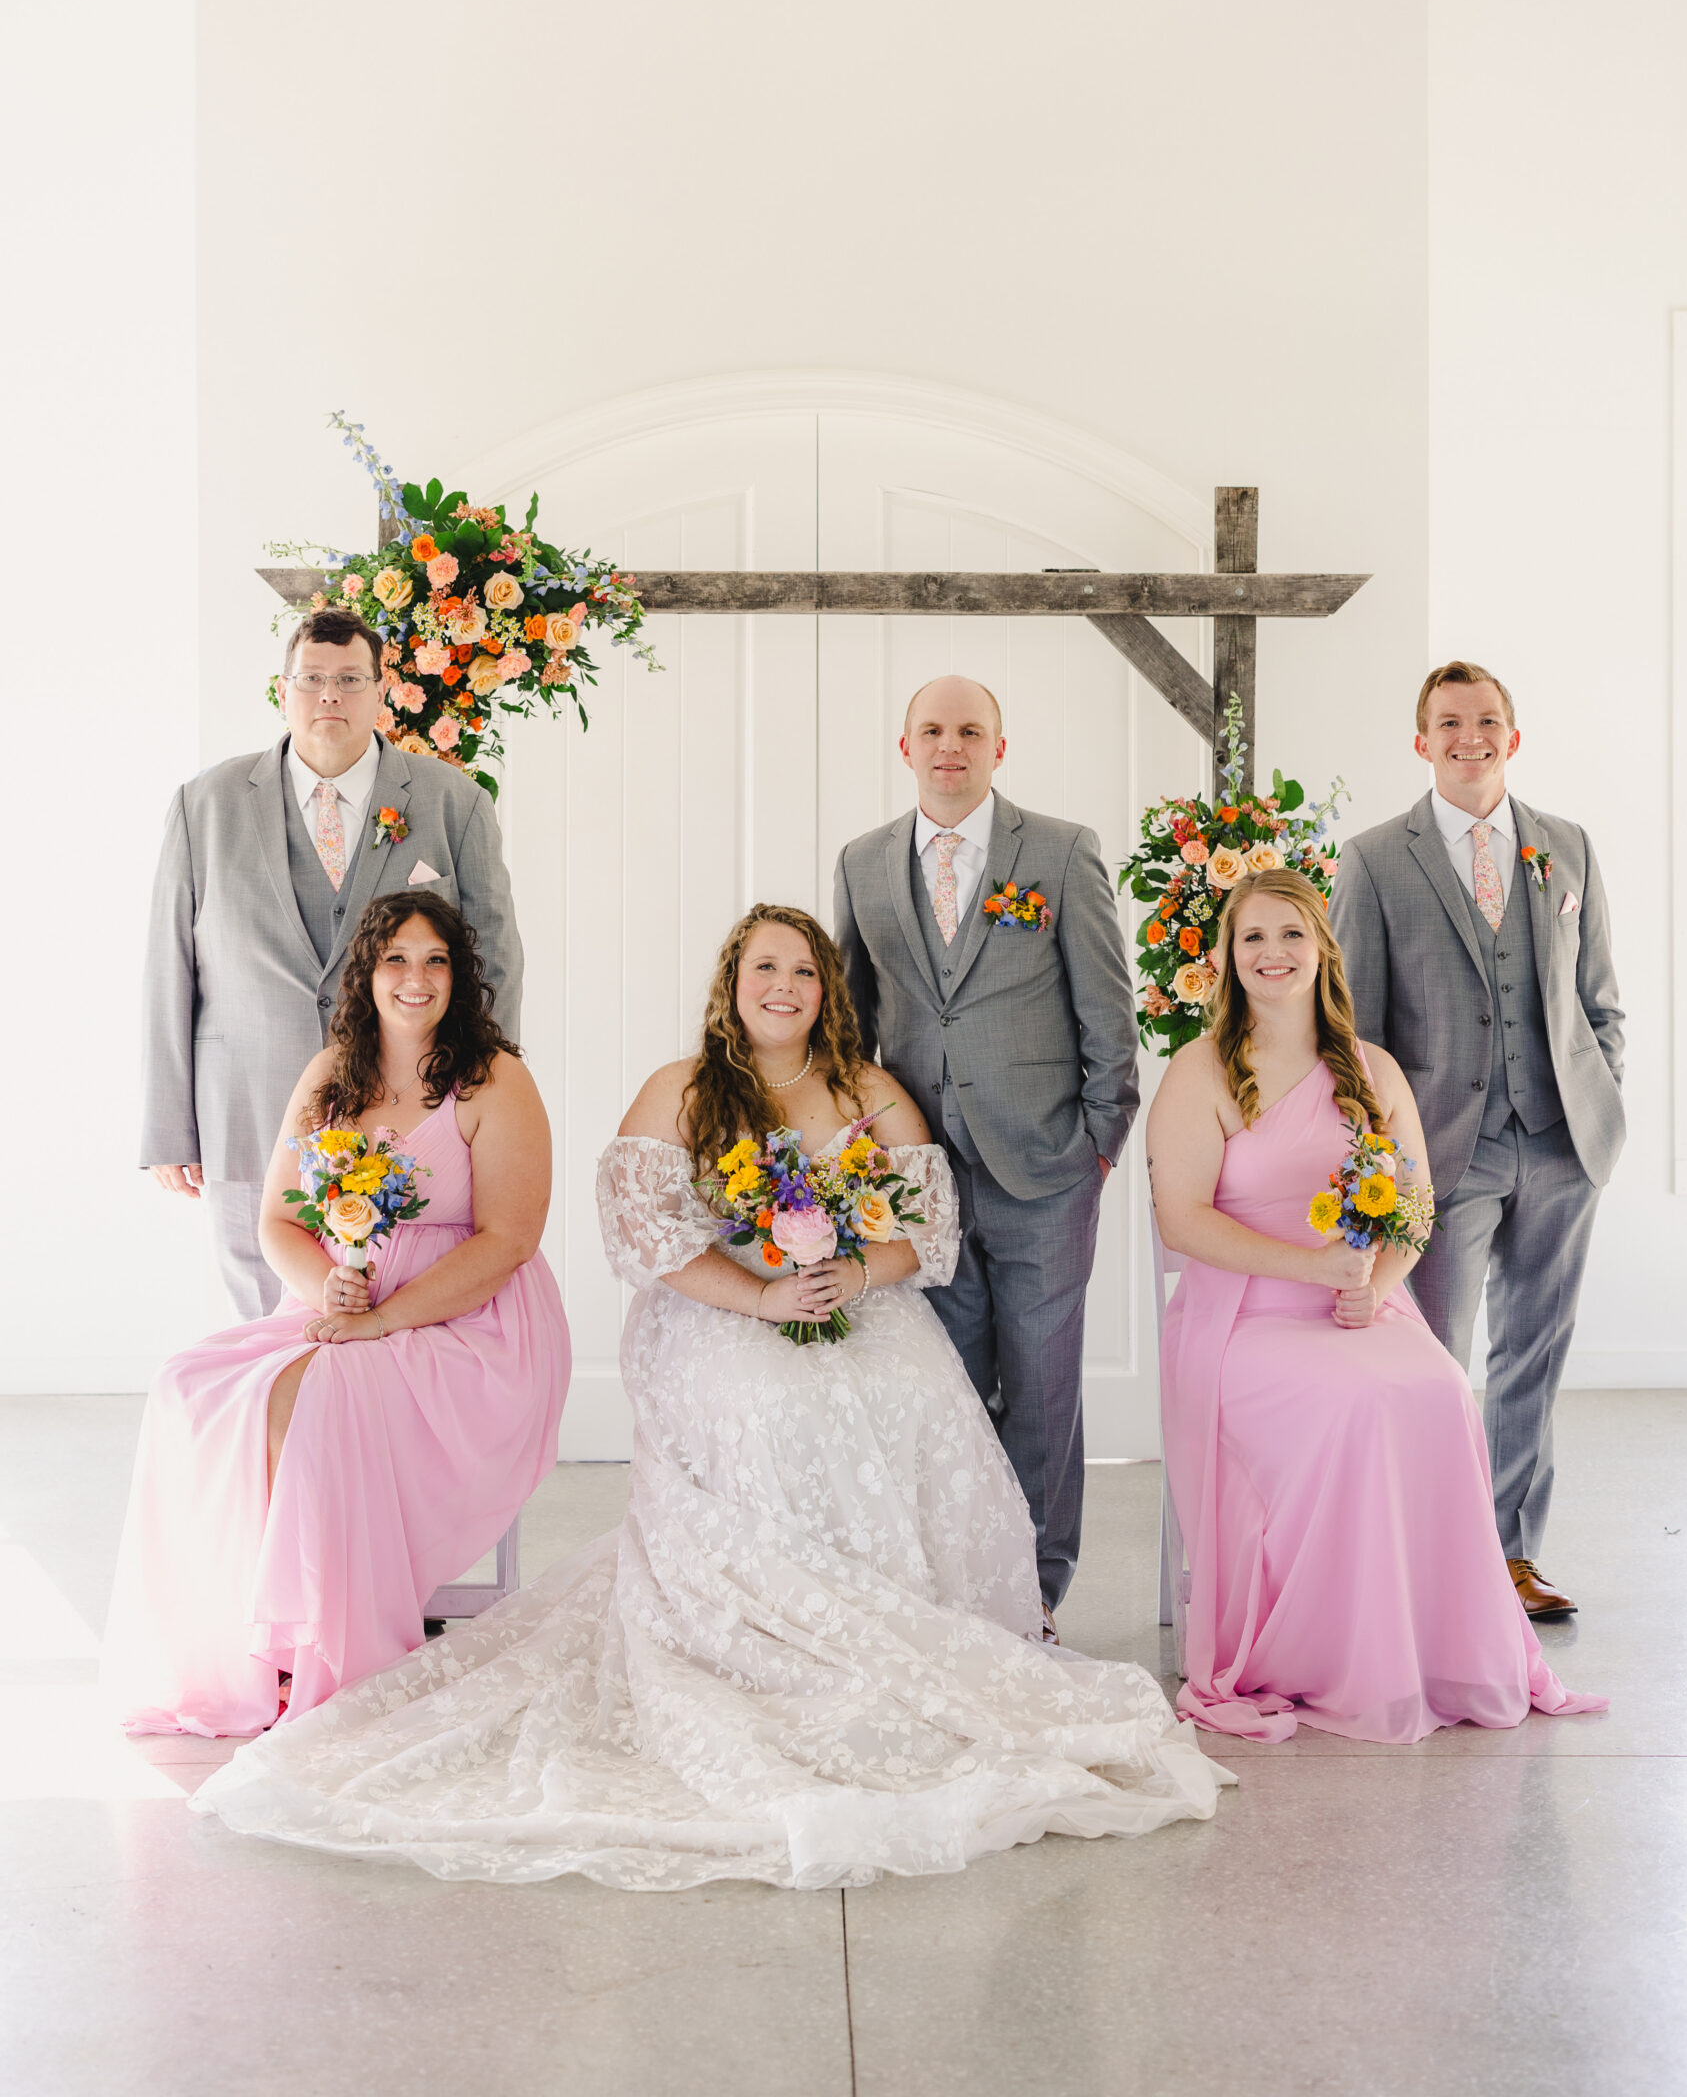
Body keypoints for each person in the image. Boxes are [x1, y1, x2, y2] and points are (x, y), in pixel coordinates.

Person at [191, 904, 1227, 1888]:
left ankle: (900, 1612)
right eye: (763, 966)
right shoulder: (682, 1087)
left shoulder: (868, 1091)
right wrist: (762, 1293)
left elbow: (929, 1230)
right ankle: (768, 1622)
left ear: (828, 992)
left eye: (803, 971)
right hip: (714, 1309)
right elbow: (648, 1238)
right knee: (771, 1402)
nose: (783, 986)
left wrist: (853, 1275)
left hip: (849, 1302)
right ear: (730, 985)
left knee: (909, 1388)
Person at [1148, 867, 1606, 1744]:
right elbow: (1183, 1220)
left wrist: (1375, 1285)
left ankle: (1432, 1644)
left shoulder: (1371, 1068)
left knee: (1436, 1391)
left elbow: (1419, 1206)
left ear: (1322, 947)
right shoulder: (1199, 1070)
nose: (1272, 953)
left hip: (1358, 1303)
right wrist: (1314, 1269)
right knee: (1352, 1406)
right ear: (1227, 956)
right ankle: (1326, 1652)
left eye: (1290, 934)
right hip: (1242, 1317)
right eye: (1252, 938)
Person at [105, 892, 571, 1737]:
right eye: (396, 958)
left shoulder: (493, 1078)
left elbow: (509, 1238)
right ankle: (250, 1638)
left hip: (469, 1322)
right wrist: (328, 1291)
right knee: (190, 1387)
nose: (416, 978)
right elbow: (279, 1220)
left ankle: (317, 1643)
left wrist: (384, 1322)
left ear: (460, 975)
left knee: (315, 1398)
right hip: (339, 1306)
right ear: (367, 972)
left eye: (436, 960)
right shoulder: (331, 1074)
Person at [832, 675, 1139, 1624]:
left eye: (970, 731)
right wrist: (861, 1163)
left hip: (1045, 1169)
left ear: (999, 749)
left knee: (1043, 1391)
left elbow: (1107, 1012)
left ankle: (1035, 1597)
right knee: (949, 1390)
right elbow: (849, 1024)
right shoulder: (862, 862)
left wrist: (1097, 1143)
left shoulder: (1058, 852)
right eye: (933, 730)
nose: (950, 746)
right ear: (905, 747)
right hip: (919, 1183)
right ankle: (964, 1587)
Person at [1331, 662, 1625, 1621]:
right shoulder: (1375, 857)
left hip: (1557, 1139)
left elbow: (1598, 1001)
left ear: (1512, 733)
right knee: (1431, 1362)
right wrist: (1378, 1159)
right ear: (1421, 741)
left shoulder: (1565, 847)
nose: (1470, 737)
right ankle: (1430, 1559)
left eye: (1486, 720)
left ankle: (1509, 1557)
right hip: (1438, 1152)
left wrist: (1599, 1092)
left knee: (1532, 1354)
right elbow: (1357, 1031)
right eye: (1449, 723)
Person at [141, 606, 523, 1319]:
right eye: (311, 679)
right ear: (281, 690)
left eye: (350, 679)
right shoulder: (205, 804)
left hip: (408, 1104)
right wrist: (169, 1125)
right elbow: (170, 966)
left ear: (381, 691)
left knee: (394, 1303)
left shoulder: (454, 802)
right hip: (245, 1104)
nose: (329, 697)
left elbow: (493, 954)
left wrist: (481, 1091)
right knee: (261, 1306)